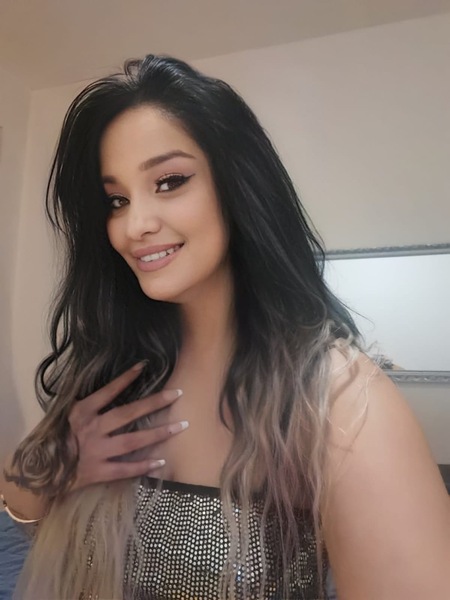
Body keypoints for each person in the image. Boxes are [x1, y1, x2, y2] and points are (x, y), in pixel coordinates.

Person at [1, 54, 449, 600]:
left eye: (169, 182)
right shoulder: (110, 367)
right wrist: (58, 469)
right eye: (117, 200)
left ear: (237, 185)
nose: (133, 225)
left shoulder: (338, 401)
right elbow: (18, 513)